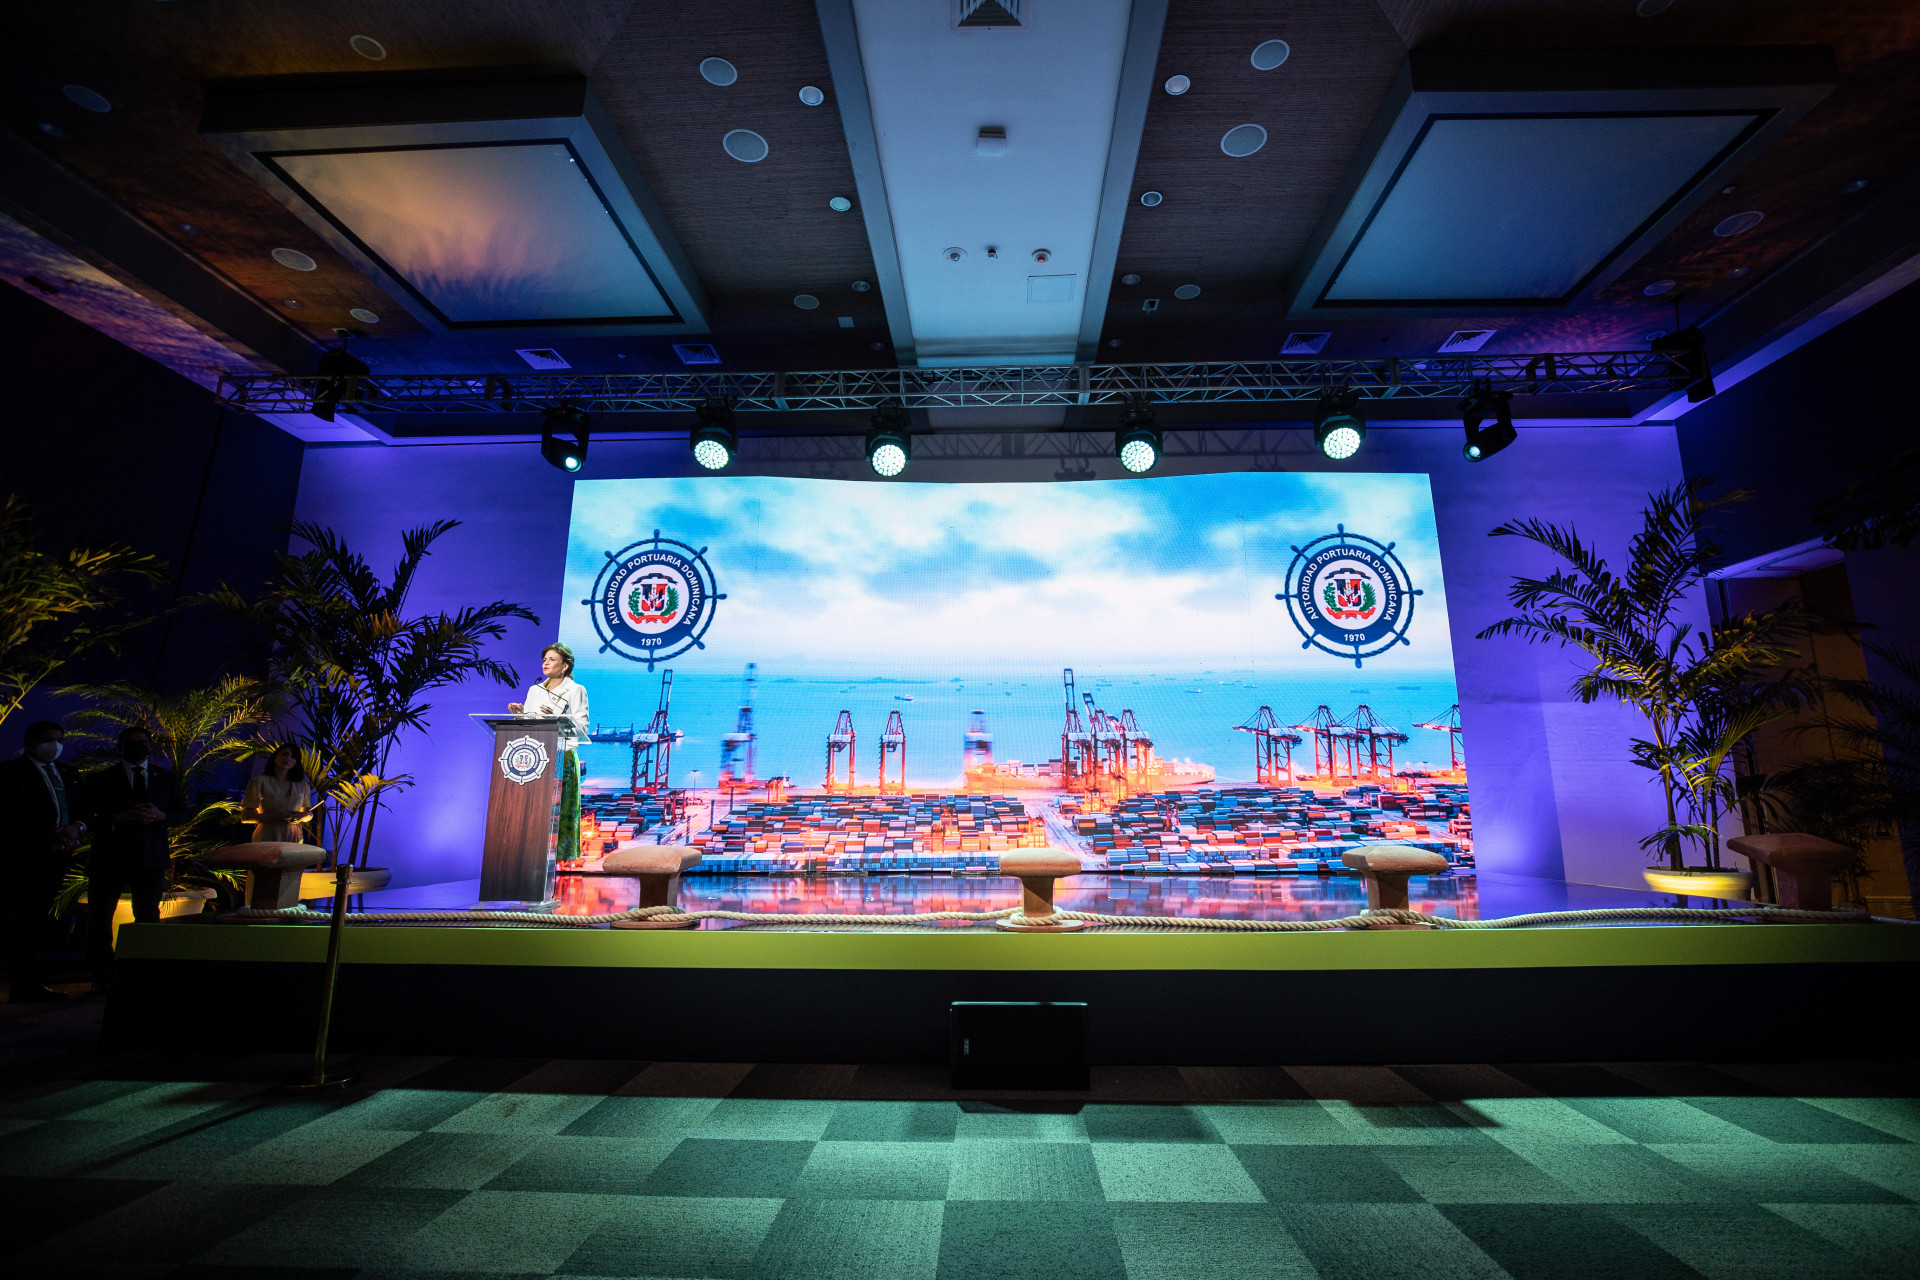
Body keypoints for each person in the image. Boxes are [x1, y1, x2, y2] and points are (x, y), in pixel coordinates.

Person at [84, 725, 188, 987]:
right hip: (110, 856)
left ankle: (143, 971)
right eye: (130, 742)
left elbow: (183, 813)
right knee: (100, 916)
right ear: (120, 747)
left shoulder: (165, 778)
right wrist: (117, 818)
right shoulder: (102, 778)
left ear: (149, 746)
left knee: (148, 914)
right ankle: (102, 975)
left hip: (151, 856)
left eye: (142, 742)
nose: (137, 746)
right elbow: (86, 817)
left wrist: (161, 816)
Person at [0, 721, 87, 1002]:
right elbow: (10, 813)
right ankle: (21, 979)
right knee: (14, 919)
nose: (55, 745)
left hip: (56, 858)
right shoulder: (10, 773)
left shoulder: (68, 773)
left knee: (35, 920)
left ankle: (27, 983)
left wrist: (76, 827)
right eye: (48, 739)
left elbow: (83, 808)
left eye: (60, 739)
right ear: (31, 742)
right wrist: (49, 831)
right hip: (21, 858)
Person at [508, 642, 589, 864]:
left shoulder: (576, 690)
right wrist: (520, 715)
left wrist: (557, 717)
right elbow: (531, 724)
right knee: (533, 810)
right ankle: (528, 853)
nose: (546, 663)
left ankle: (555, 859)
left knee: (559, 810)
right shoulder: (534, 690)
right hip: (536, 757)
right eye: (545, 659)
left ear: (565, 666)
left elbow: (582, 729)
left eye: (552, 659)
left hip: (562, 755)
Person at [241, 743, 314, 844]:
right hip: (267, 835)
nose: (288, 758)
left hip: (293, 837)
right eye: (284, 754)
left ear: (296, 762)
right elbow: (246, 817)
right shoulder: (259, 782)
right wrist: (279, 816)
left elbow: (308, 814)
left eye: (293, 757)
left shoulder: (302, 785)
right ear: (275, 756)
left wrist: (303, 815)